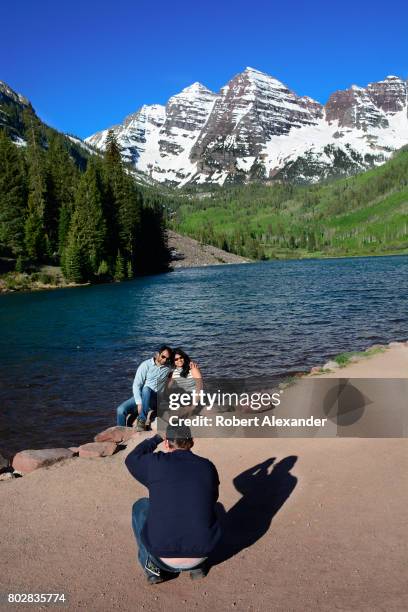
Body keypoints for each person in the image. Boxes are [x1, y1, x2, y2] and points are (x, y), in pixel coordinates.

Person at [125, 424, 221, 584]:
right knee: (208, 508)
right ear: (192, 441)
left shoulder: (156, 463)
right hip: (202, 553)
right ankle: (197, 567)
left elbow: (132, 458)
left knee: (141, 506)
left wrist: (155, 438)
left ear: (166, 443)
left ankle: (153, 569)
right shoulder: (207, 466)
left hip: (161, 557)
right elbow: (213, 498)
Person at [116, 345, 174, 431]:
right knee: (120, 410)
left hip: (156, 399)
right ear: (157, 354)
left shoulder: (168, 367)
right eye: (163, 356)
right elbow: (136, 385)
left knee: (146, 388)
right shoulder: (145, 365)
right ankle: (122, 433)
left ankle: (142, 420)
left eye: (167, 358)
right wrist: (139, 403)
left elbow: (181, 362)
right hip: (144, 396)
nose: (165, 360)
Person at [168, 347, 203, 413]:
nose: (179, 360)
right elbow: (168, 388)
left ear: (184, 357)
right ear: (173, 361)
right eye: (176, 359)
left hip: (195, 399)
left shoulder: (192, 368)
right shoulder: (174, 372)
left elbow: (199, 388)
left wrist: (193, 406)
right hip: (184, 398)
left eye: (181, 357)